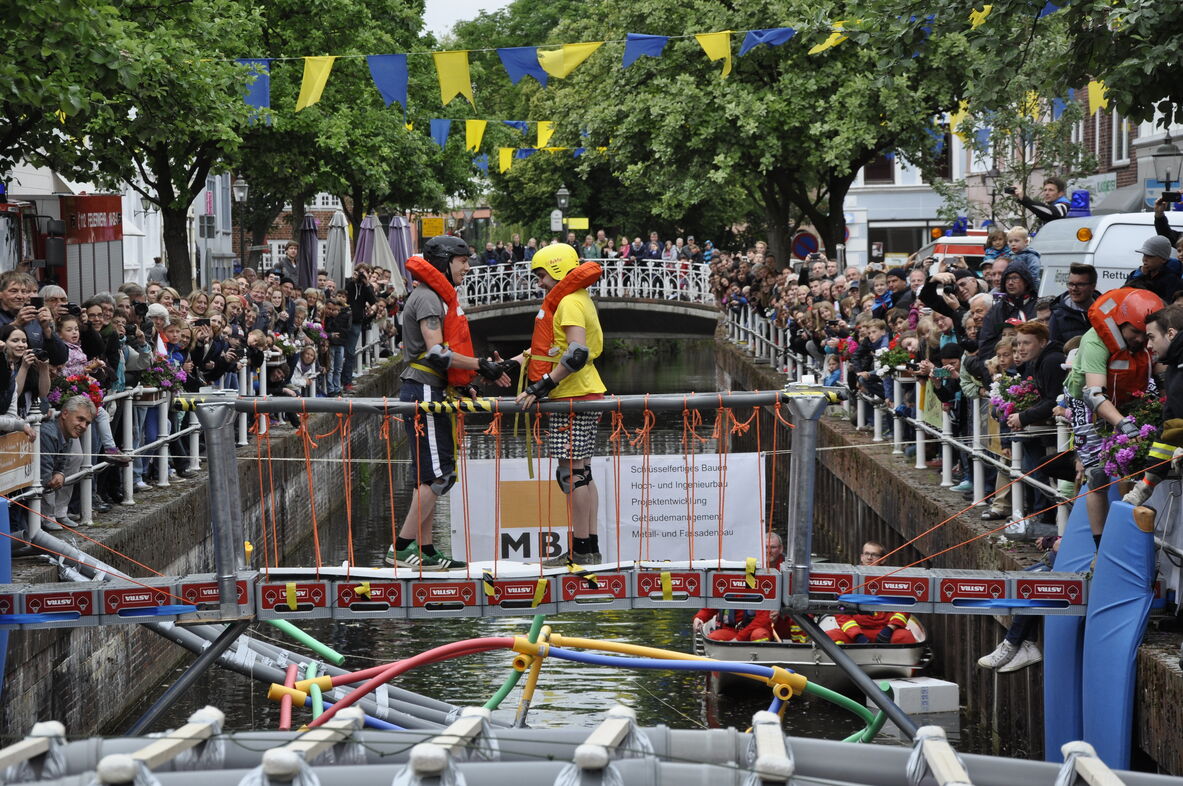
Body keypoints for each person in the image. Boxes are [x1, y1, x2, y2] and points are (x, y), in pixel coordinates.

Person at [388, 236, 509, 570]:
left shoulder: (434, 296)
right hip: (423, 391)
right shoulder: (427, 298)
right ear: (444, 261)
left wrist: (466, 384)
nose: (467, 267)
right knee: (438, 476)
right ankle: (400, 547)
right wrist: (480, 365)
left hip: (431, 389)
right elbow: (436, 352)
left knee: (430, 475)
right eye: (462, 260)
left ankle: (425, 551)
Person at [508, 244, 607, 565]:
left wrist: (540, 386)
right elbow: (552, 349)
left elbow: (575, 353)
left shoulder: (567, 303)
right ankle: (589, 547)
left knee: (572, 473)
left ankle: (580, 549)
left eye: (542, 276)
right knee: (583, 473)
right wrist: (507, 365)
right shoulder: (579, 299)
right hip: (586, 393)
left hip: (572, 396)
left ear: (558, 271)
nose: (539, 284)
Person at [1064, 287, 1163, 541]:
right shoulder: (1096, 341)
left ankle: (1126, 531)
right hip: (1089, 402)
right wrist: (1123, 425)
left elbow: (1161, 369)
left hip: (1132, 398)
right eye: (1135, 333)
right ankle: (1100, 546)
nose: (1141, 340)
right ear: (1120, 323)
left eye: (1146, 334)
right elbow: (1094, 395)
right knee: (1097, 475)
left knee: (1130, 465)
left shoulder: (1149, 339)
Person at [692, 532, 785, 642]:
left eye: (772, 547)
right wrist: (700, 617)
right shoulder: (731, 575)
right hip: (732, 628)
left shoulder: (761, 576)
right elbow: (716, 600)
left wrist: (738, 639)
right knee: (714, 638)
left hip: (757, 628)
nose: (768, 551)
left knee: (759, 635)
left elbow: (763, 618)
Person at [830, 539, 918, 645]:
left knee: (906, 637)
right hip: (858, 630)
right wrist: (857, 635)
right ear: (861, 557)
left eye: (874, 555)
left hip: (885, 630)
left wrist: (890, 629)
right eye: (866, 554)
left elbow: (903, 609)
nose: (869, 558)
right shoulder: (850, 581)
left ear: (883, 559)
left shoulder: (892, 581)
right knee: (831, 636)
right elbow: (841, 612)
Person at [39, 395, 97, 530]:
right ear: (65, 414)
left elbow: (61, 464)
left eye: (87, 423)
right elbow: (45, 477)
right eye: (80, 419)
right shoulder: (48, 434)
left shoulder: (68, 433)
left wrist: (59, 473)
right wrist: (56, 476)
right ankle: (46, 517)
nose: (83, 426)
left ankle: (57, 514)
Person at [1048, 263, 1099, 344]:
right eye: (1071, 284)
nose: (1074, 289)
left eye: (1080, 284)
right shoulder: (1058, 316)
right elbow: (1053, 350)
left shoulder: (1106, 310)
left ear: (1093, 286)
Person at [1125, 235, 1183, 303]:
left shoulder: (1171, 280)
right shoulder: (1141, 273)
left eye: (1149, 256)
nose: (1144, 259)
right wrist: (1140, 274)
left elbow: (1169, 305)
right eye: (1144, 255)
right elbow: (1126, 291)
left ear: (1163, 259)